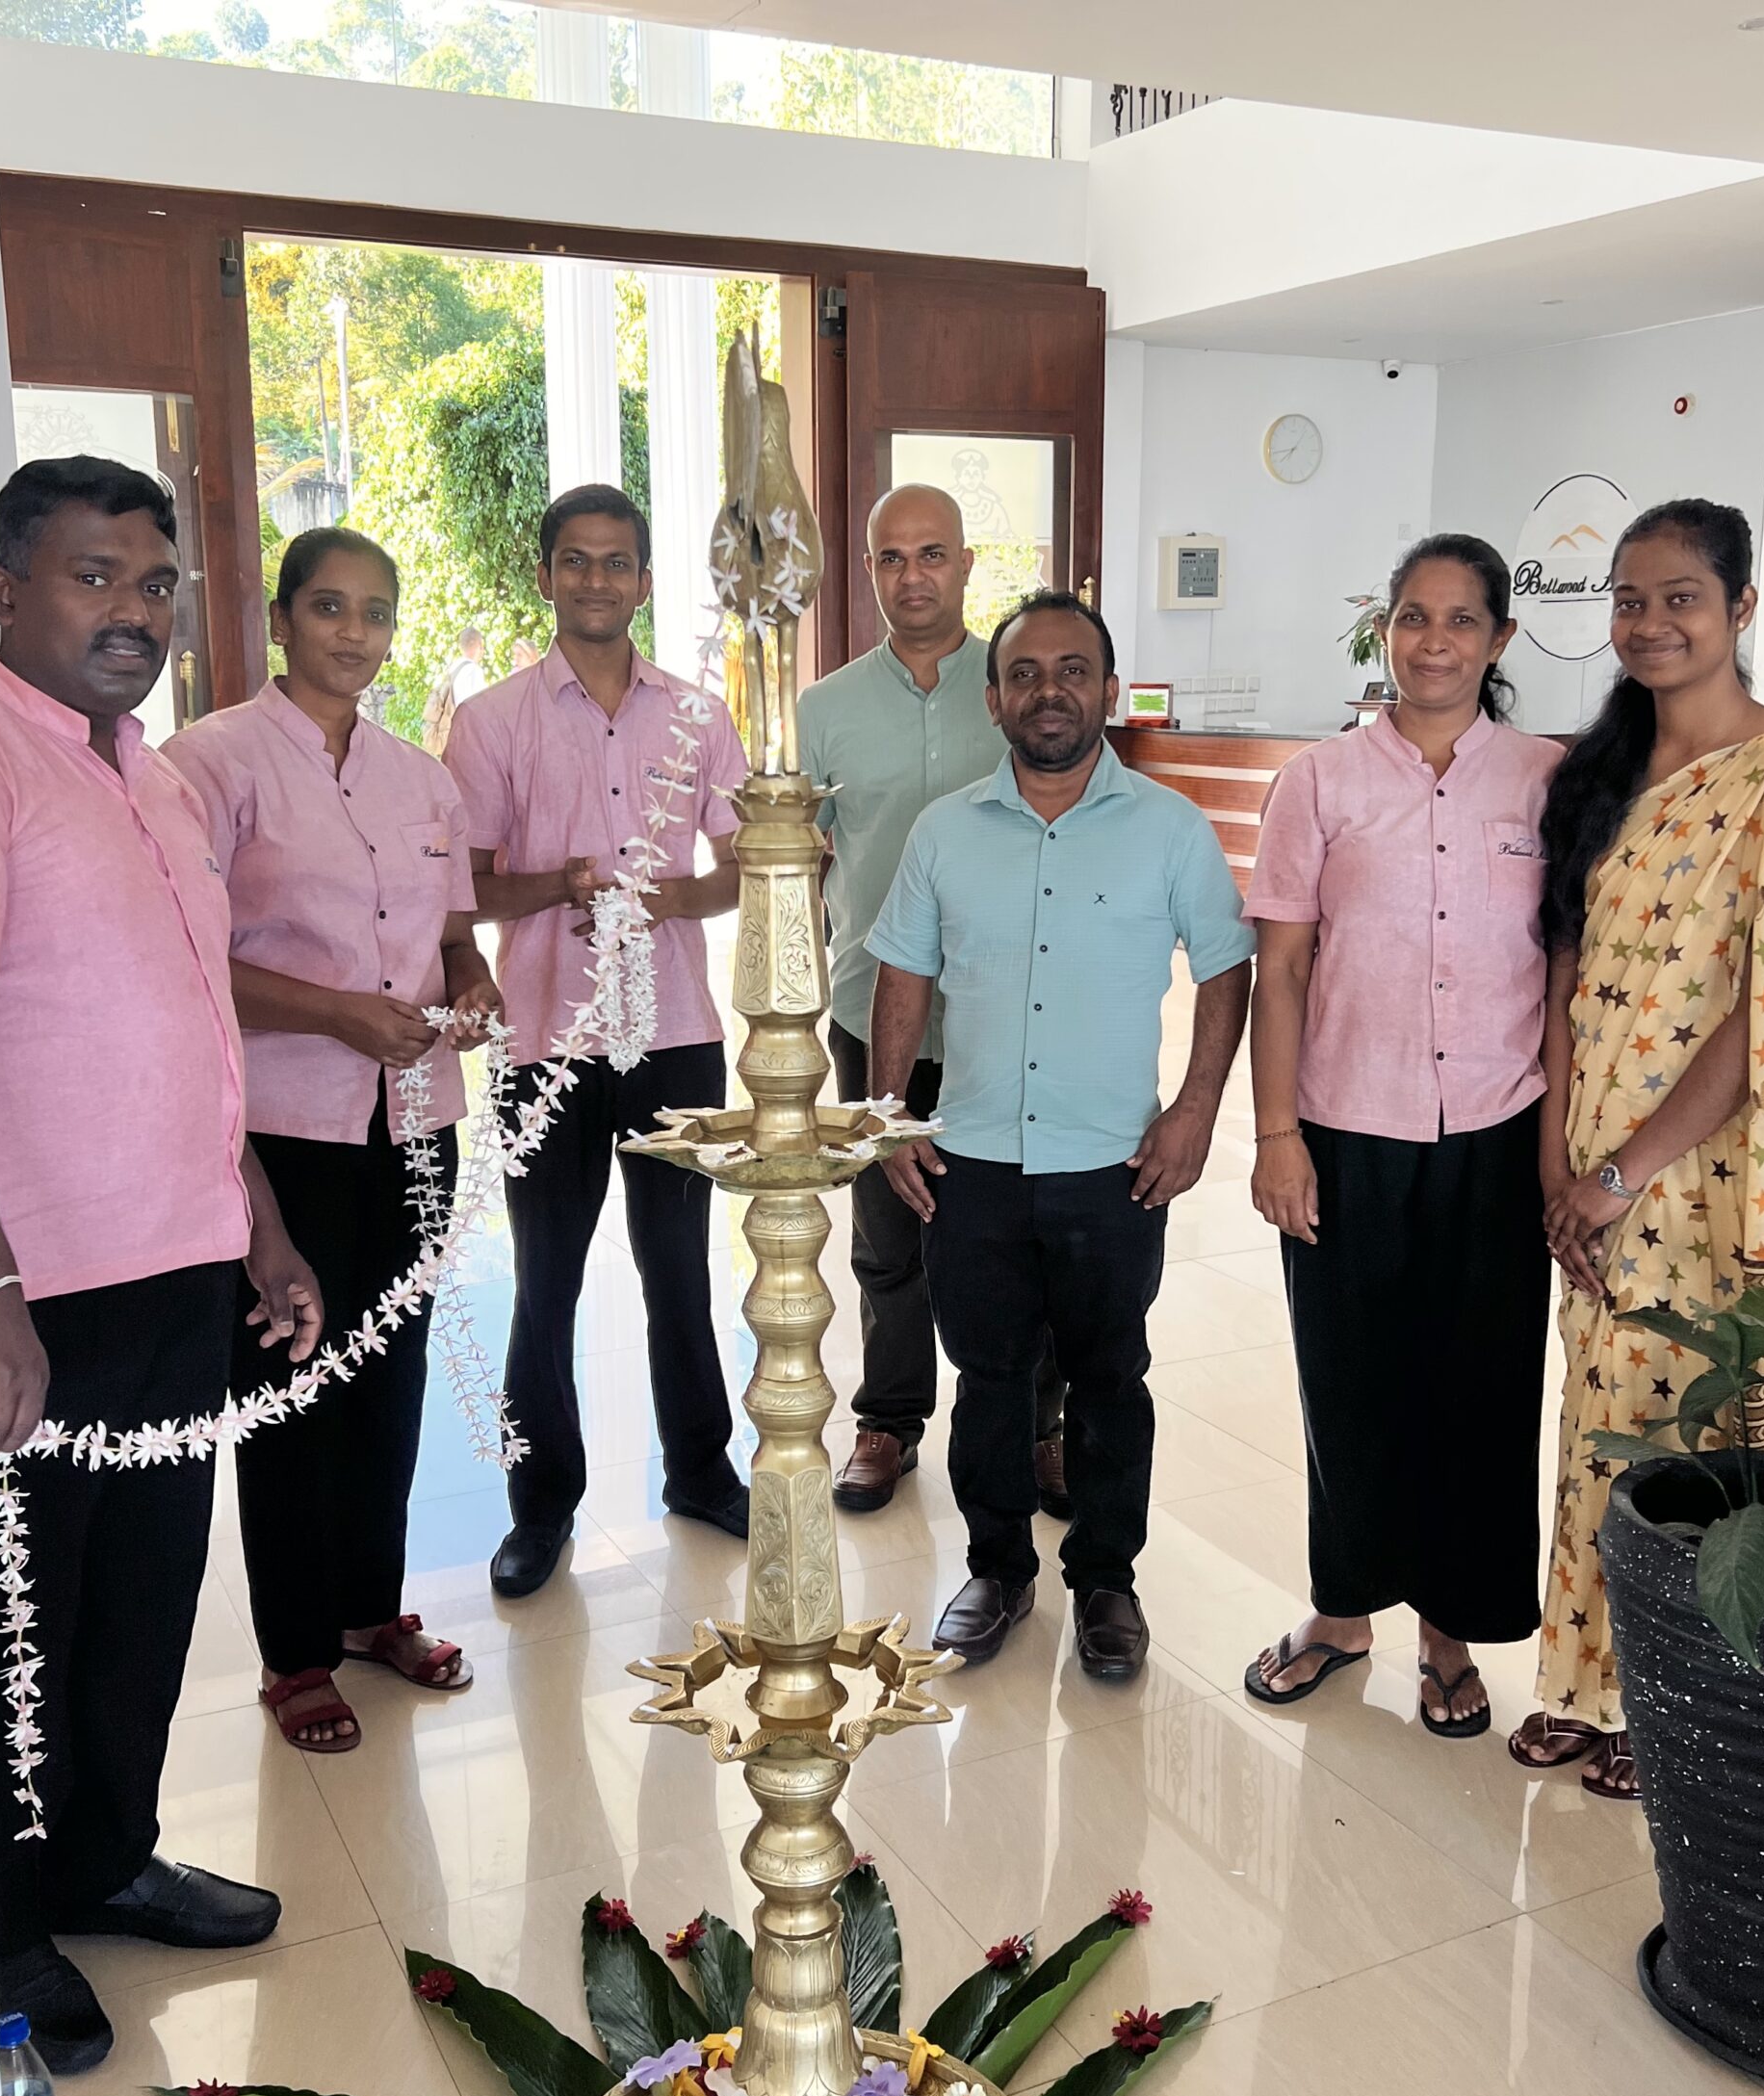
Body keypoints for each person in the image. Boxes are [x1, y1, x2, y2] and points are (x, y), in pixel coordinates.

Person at [0, 457, 324, 2072]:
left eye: (156, 583)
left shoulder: (156, 776)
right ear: (5, 591)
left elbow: (190, 1024)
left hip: (181, 1263)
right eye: (94, 577)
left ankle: (107, 1859)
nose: (134, 611)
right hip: (40, 1291)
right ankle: (7, 1931)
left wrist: (258, 1222)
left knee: (145, 1595)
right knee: (18, 1625)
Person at [868, 591, 1253, 1678]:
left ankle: (1105, 1581)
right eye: (1025, 673)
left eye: (1072, 670)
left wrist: (1194, 1111)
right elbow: (902, 975)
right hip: (972, 1163)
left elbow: (1226, 968)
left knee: (1108, 1382)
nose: (1049, 691)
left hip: (1112, 1167)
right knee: (987, 1381)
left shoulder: (1169, 828)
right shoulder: (943, 830)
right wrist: (887, 1115)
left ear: (1108, 691)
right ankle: (996, 1570)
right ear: (993, 699)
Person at [167, 527, 501, 1755]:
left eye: (374, 612)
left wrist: (474, 983)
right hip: (283, 1127)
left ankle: (369, 1609)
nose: (353, 634)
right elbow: (185, 959)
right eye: (328, 607)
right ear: (281, 618)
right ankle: (296, 1651)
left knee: (389, 1370)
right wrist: (334, 1013)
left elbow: (454, 934)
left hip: (414, 1120)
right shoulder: (208, 763)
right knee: (288, 1382)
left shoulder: (422, 777)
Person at [1514, 499, 1764, 1801]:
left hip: (1698, 1173)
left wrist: (1617, 1172)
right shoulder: (1597, 773)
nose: (1647, 624)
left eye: (1678, 597)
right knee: (1594, 1415)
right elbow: (1562, 971)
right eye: (1627, 601)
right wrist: (1555, 1159)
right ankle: (1580, 1679)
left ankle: (1668, 1694)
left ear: (1738, 607)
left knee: (1680, 1426)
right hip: (1587, 1159)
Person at [1241, 536, 1563, 1735]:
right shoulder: (1317, 781)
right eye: (1412, 617)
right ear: (1382, 630)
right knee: (1348, 1377)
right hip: (1344, 1126)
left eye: (1460, 619)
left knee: (1478, 1387)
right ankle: (1340, 1611)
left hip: (1495, 1129)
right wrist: (1275, 1133)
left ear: (1498, 637)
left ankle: (1448, 1632)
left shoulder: (1545, 779)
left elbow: (1566, 970)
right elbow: (1280, 970)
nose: (1433, 642)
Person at [446, 483, 751, 1598]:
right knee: (546, 1282)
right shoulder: (491, 721)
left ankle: (701, 1472)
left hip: (674, 1034)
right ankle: (541, 1508)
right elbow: (463, 888)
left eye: (616, 561)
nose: (595, 580)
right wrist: (559, 884)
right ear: (544, 576)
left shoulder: (697, 715)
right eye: (574, 560)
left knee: (679, 1269)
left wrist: (669, 898)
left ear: (644, 582)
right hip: (546, 1039)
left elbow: (740, 866)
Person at [799, 483, 1065, 1515]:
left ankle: (1039, 1428)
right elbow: (803, 861)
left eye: (931, 554)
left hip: (1011, 1014)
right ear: (867, 571)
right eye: (889, 557)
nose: (911, 576)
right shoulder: (824, 709)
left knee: (1024, 1233)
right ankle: (889, 1419)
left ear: (964, 563)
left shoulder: (1018, 691)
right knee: (886, 1235)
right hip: (873, 1011)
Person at [422, 624, 487, 759]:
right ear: (478, 645)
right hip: (462, 741)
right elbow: (475, 711)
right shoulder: (473, 671)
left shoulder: (452, 669)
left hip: (447, 737)